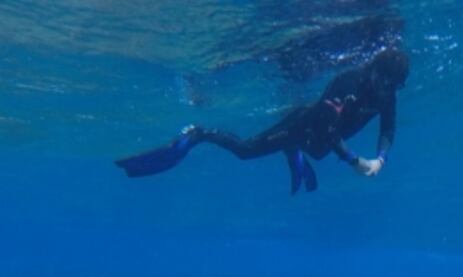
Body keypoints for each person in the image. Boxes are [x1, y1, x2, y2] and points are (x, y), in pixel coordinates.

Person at [115, 48, 409, 195]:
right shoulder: (349, 83)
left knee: (315, 152)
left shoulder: (386, 94)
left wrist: (380, 160)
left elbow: (389, 128)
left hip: (319, 141)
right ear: (374, 72)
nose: (387, 90)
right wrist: (354, 161)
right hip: (303, 126)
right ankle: (198, 134)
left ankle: (293, 151)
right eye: (385, 82)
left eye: (394, 86)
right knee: (245, 151)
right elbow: (329, 130)